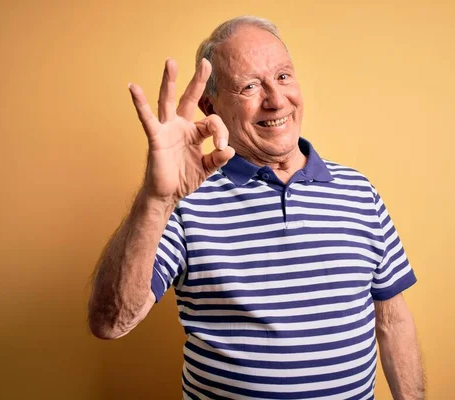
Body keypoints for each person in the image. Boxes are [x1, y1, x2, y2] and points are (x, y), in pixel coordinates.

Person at [88, 16, 424, 400]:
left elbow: (393, 321)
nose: (276, 100)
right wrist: (156, 199)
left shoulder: (360, 192)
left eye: (283, 77)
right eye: (249, 86)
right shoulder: (183, 203)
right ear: (210, 105)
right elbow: (111, 323)